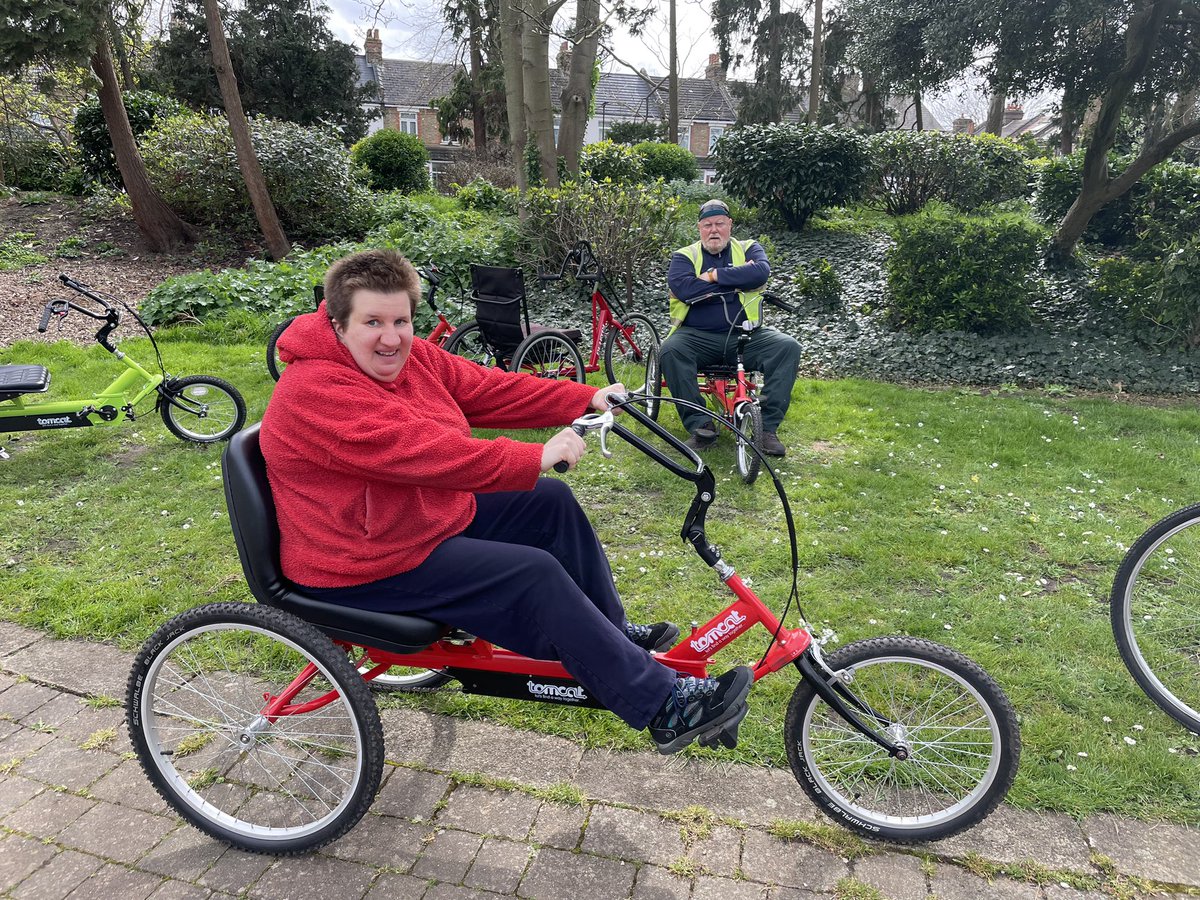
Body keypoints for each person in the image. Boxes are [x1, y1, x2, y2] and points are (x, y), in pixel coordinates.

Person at [260, 248, 752, 754]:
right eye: (373, 322)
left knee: (548, 501)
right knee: (530, 574)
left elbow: (483, 387)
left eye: (401, 320)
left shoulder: (409, 360)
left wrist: (582, 398)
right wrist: (533, 455)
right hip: (360, 562)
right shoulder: (316, 390)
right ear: (337, 323)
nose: (391, 337)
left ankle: (608, 636)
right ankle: (665, 706)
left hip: (409, 520)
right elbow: (426, 454)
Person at [660, 198, 802, 456]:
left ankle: (766, 429)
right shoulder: (684, 256)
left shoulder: (749, 247)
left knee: (787, 347)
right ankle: (701, 426)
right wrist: (738, 278)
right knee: (671, 350)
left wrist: (713, 276)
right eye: (708, 225)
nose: (714, 230)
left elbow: (759, 273)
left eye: (720, 224)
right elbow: (685, 288)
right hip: (697, 336)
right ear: (699, 228)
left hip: (746, 336)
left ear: (730, 225)